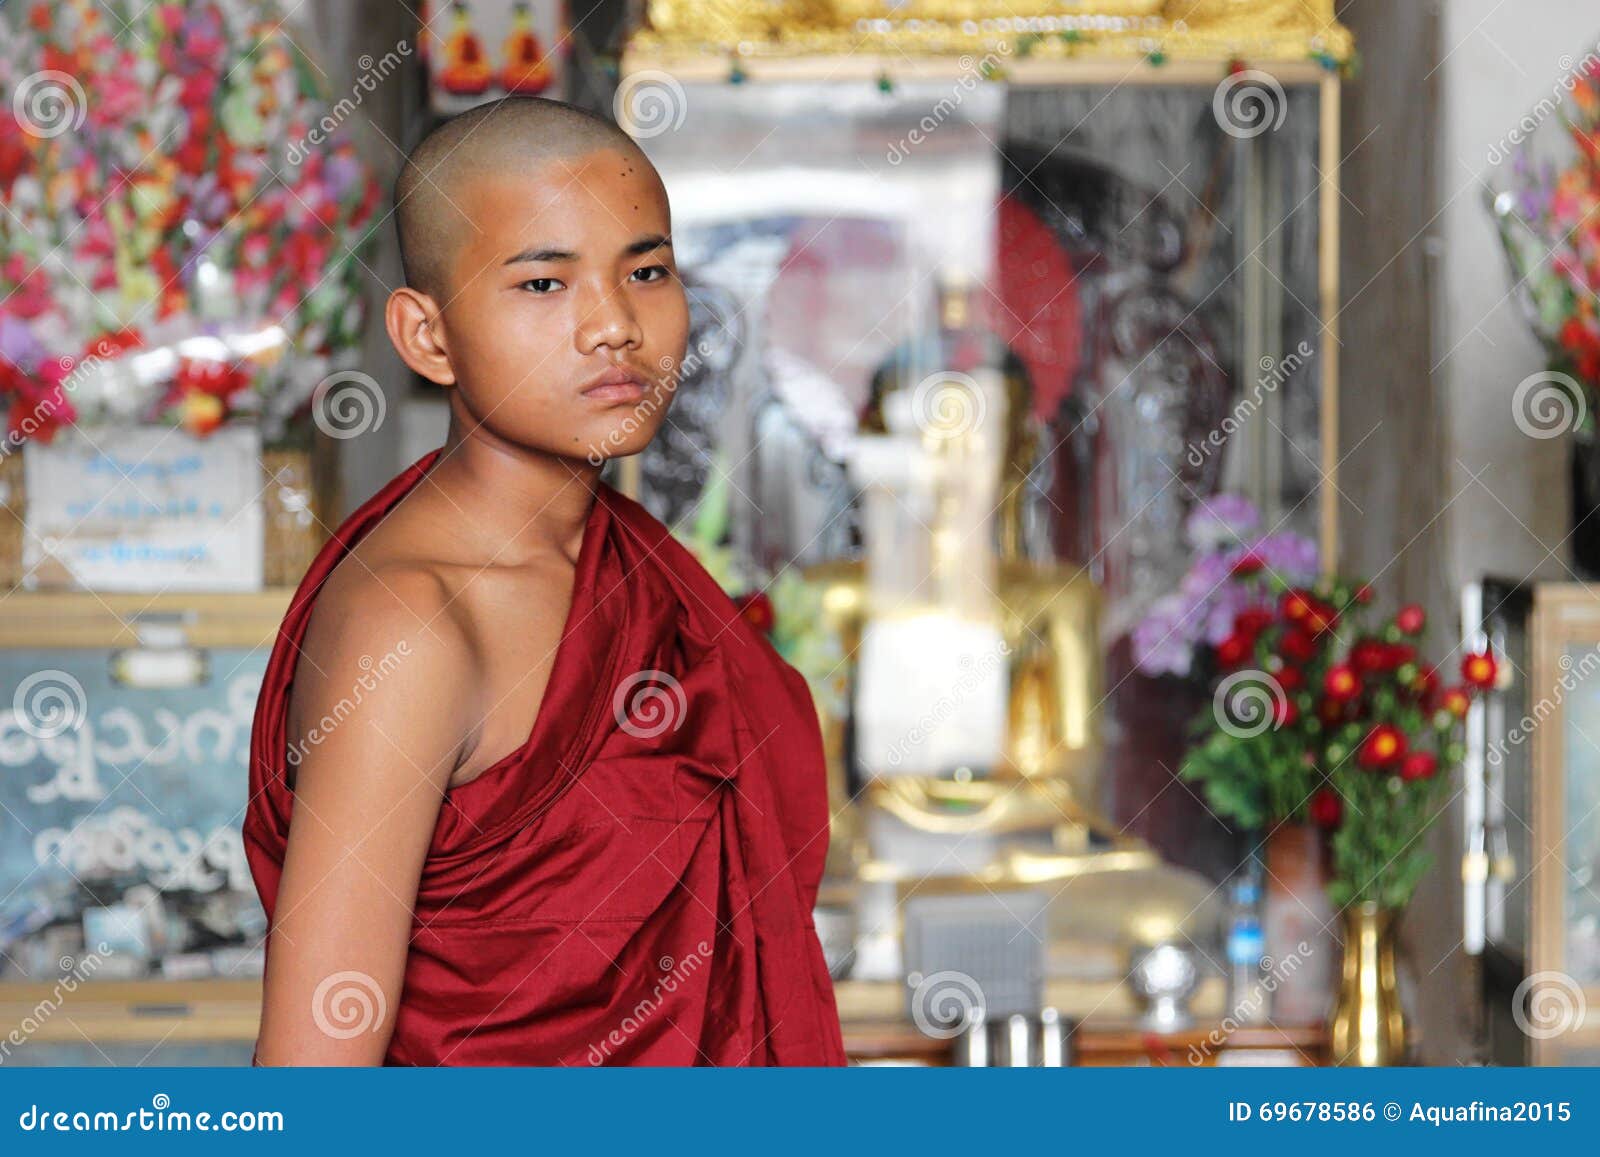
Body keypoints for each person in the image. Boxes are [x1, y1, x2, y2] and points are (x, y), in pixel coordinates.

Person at [243, 96, 847, 1066]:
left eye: (646, 271)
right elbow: (316, 1074)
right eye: (541, 284)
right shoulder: (413, 623)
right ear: (427, 337)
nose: (613, 325)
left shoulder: (629, 563)